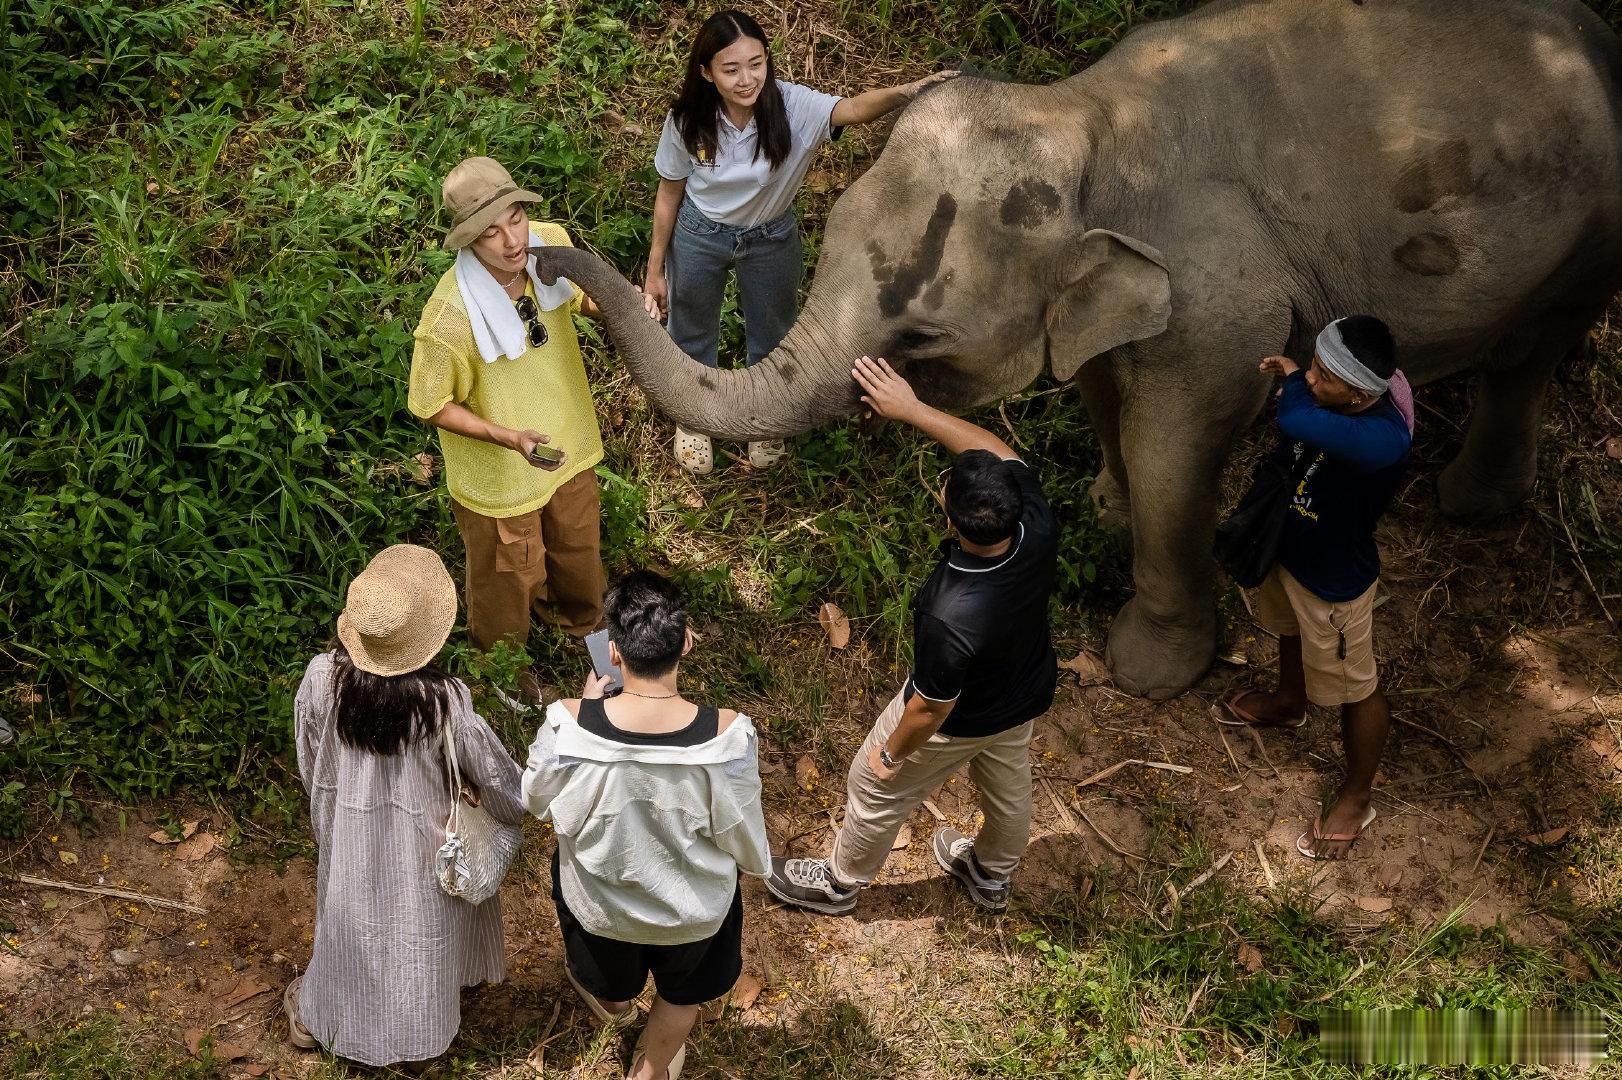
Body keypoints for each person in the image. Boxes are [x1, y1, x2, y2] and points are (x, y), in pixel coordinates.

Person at [766, 356, 1058, 916]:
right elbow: (998, 450)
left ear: (951, 521)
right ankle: (991, 874)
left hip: (962, 718)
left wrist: (890, 755)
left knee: (872, 785)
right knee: (1008, 785)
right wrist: (914, 409)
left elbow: (929, 709)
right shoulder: (1034, 525)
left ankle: (839, 883)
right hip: (1023, 694)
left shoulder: (950, 611)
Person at [644, 9, 956, 474]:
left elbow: (848, 109)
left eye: (756, 63)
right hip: (700, 234)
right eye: (730, 70)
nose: (747, 79)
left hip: (770, 238)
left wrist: (906, 93)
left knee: (773, 332)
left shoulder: (791, 105)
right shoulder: (688, 118)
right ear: (706, 73)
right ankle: (694, 417)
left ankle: (763, 418)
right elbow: (669, 194)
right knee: (691, 328)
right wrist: (654, 272)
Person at [521, 571, 770, 1080]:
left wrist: (589, 706)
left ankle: (613, 1005)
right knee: (685, 993)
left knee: (610, 985)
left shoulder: (568, 725)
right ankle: (652, 1069)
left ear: (613, 653)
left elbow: (534, 798)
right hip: (695, 914)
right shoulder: (728, 738)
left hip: (600, 909)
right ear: (687, 641)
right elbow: (747, 845)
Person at [287, 544, 526, 1067]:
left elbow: (311, 757)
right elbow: (495, 774)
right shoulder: (443, 702)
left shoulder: (322, 680)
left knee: (351, 917)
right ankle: (421, 1034)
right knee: (420, 928)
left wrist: (328, 811)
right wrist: (512, 803)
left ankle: (325, 1019)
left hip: (348, 827)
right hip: (426, 840)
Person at [408, 156, 616, 708]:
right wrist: (506, 437)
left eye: (516, 218)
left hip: (567, 443)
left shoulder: (551, 248)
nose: (510, 241)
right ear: (468, 241)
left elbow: (583, 299)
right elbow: (431, 405)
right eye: (490, 231)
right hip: (500, 476)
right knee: (507, 577)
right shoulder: (448, 317)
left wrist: (616, 305)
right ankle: (503, 664)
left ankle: (582, 625)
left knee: (578, 549)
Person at [1219, 315, 1415, 860]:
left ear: (1358, 392)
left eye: (1324, 375)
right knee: (1286, 631)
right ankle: (1289, 702)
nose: (1310, 378)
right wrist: (1305, 377)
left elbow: (1296, 419)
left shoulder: (1381, 440)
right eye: (1311, 366)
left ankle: (1357, 794)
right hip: (1292, 552)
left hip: (1334, 582)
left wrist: (1290, 383)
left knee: (1358, 687)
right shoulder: (1338, 402)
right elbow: (1306, 407)